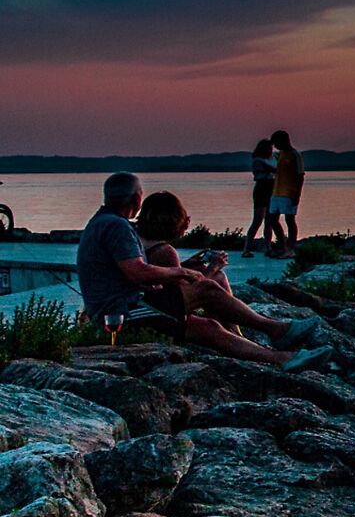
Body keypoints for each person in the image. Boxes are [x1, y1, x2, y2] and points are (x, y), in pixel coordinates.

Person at [77, 172, 331, 370]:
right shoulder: (117, 227)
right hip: (125, 312)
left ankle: (284, 359)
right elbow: (136, 272)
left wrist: (184, 268)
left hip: (126, 307)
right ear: (137, 199)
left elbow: (126, 271)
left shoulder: (103, 222)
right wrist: (183, 274)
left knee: (209, 327)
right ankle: (277, 330)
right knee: (207, 288)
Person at [268, 130, 306, 253]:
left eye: (276, 143)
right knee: (272, 220)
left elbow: (300, 176)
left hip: (289, 192)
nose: (275, 146)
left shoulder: (295, 155)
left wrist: (297, 195)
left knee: (290, 220)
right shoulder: (280, 155)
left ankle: (291, 248)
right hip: (276, 192)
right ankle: (283, 245)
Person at [242, 138, 276, 253]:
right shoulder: (258, 161)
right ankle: (246, 248)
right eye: (269, 148)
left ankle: (268, 247)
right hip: (262, 188)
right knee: (257, 220)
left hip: (271, 188)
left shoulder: (272, 159)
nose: (271, 150)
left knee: (269, 220)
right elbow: (273, 170)